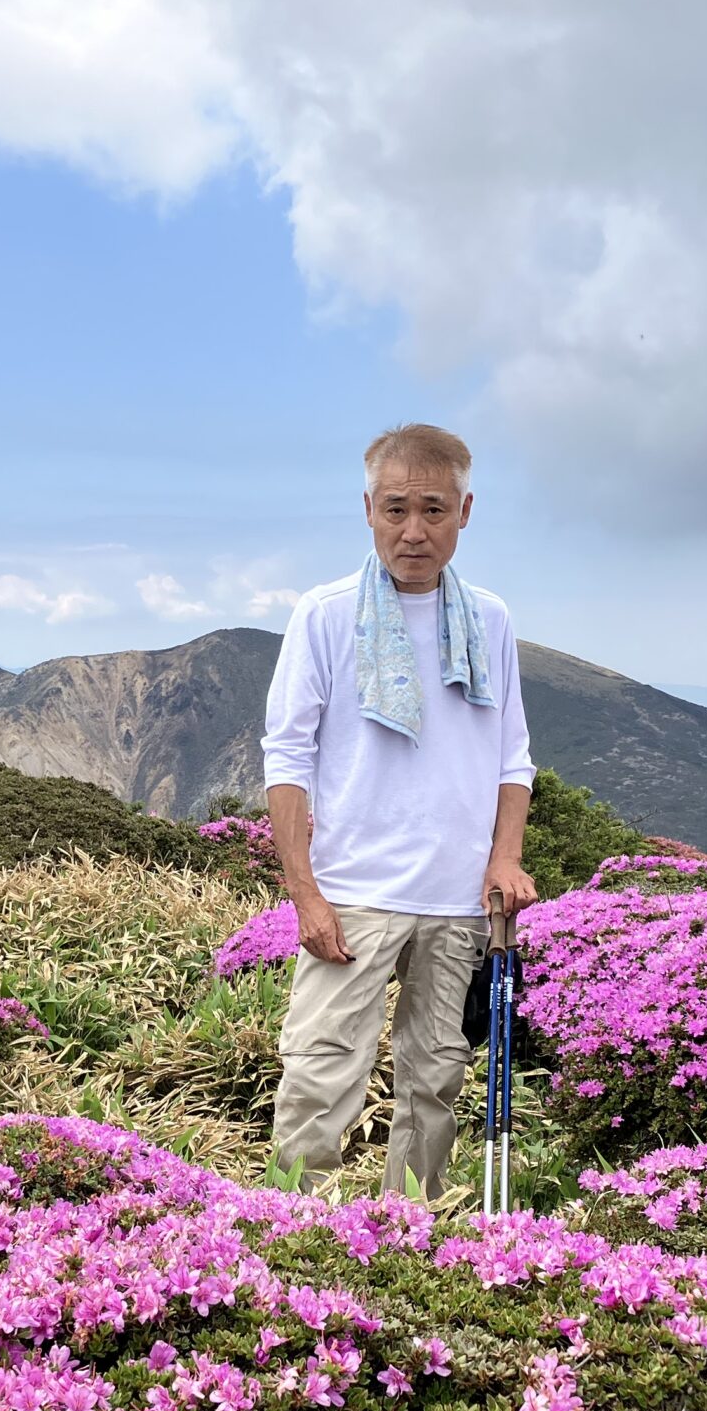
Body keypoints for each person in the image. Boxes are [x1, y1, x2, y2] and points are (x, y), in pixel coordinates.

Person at [260, 423, 538, 1195]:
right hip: (352, 892)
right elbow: (287, 757)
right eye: (396, 509)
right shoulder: (324, 615)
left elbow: (512, 756)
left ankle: (410, 1234)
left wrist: (505, 858)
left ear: (464, 511)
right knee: (320, 1080)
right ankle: (291, 1233)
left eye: (434, 510)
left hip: (457, 897)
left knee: (435, 1084)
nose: (414, 531)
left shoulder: (489, 620)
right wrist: (305, 894)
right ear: (369, 509)